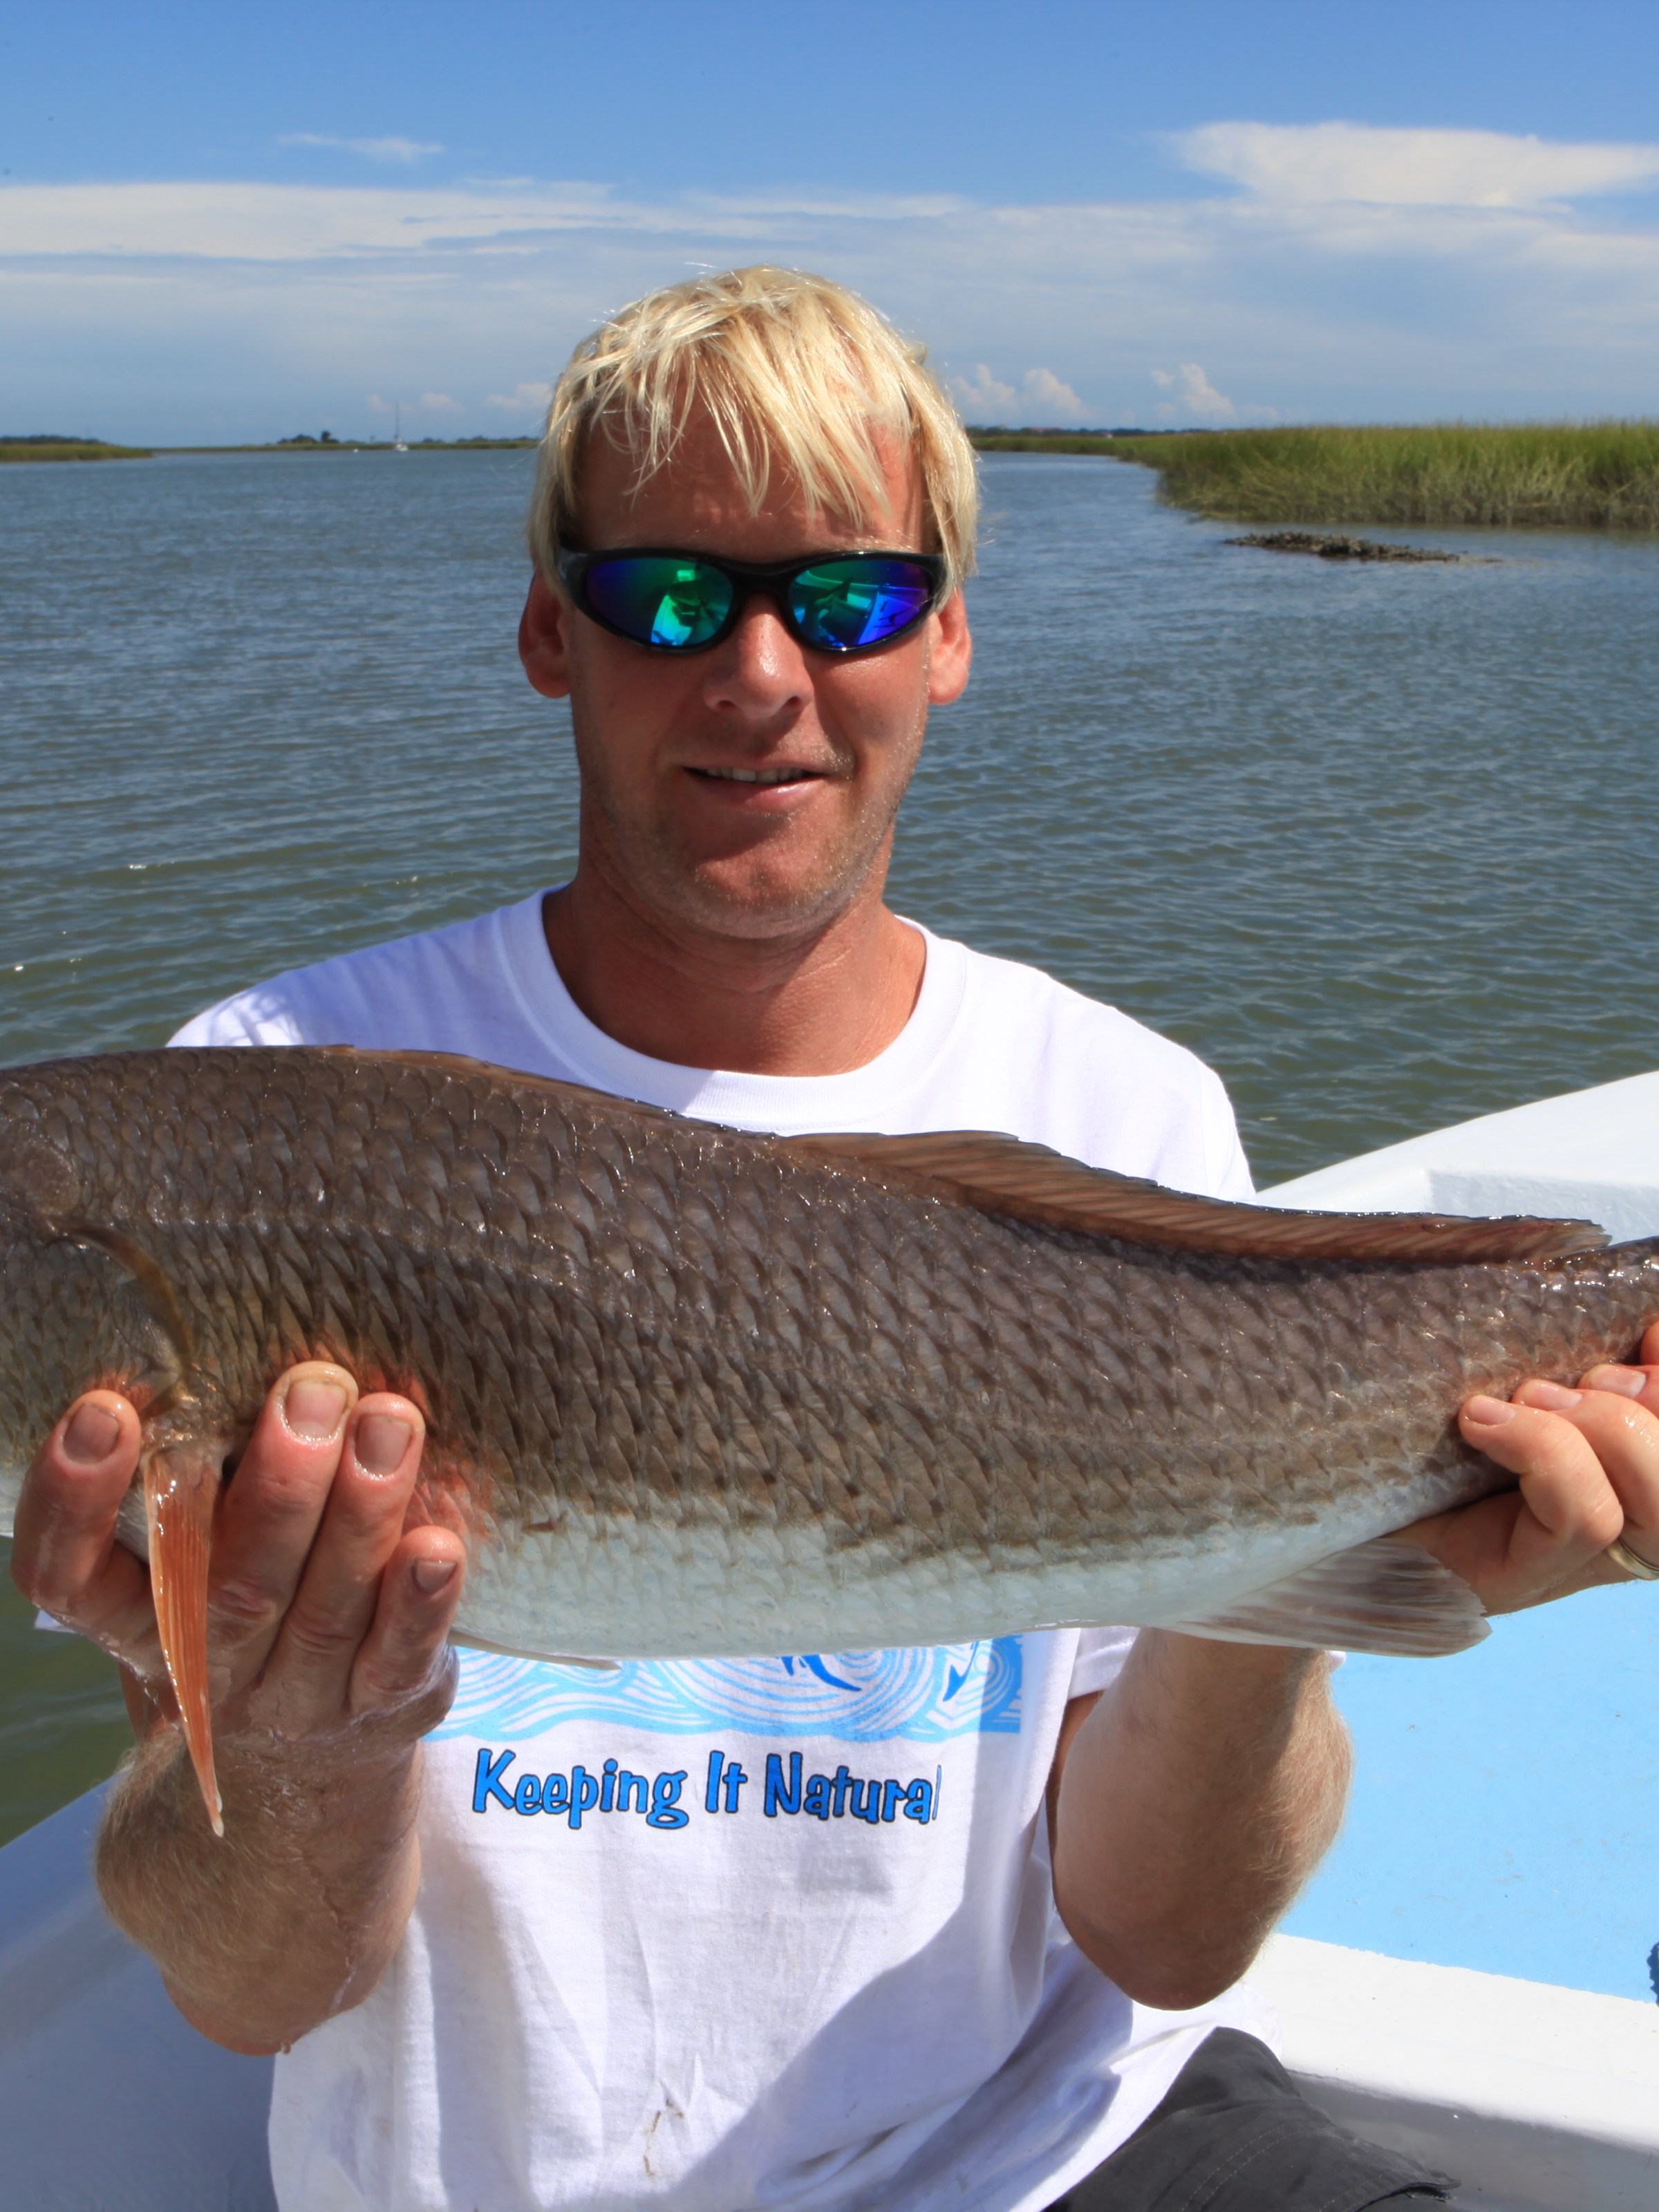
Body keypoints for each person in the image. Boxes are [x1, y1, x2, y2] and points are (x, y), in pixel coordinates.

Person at [14, 267, 1659, 2212]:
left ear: (948, 634)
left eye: (852, 597)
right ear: (554, 628)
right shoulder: (263, 1082)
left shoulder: (1128, 1107)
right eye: (671, 598)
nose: (764, 672)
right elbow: (255, 1985)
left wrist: (1298, 1542)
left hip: (1056, 2159)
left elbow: (1159, 1940)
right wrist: (299, 1728)